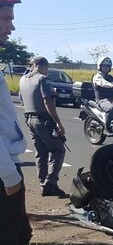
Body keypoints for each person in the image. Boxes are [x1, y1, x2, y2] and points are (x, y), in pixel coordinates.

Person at [0, 0, 57, 245]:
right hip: (2, 169)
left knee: (20, 234)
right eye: (6, 17)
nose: (11, 25)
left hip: (8, 164)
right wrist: (9, 177)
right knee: (5, 241)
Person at [19, 55, 67, 197]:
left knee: (41, 152)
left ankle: (43, 183)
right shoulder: (42, 79)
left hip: (29, 118)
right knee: (58, 150)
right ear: (43, 66)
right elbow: (48, 102)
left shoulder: (23, 79)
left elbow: (22, 100)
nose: (47, 71)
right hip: (42, 120)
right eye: (47, 68)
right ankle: (50, 183)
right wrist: (58, 122)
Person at [92, 56, 113, 135]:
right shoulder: (97, 76)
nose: (106, 68)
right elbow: (103, 83)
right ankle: (107, 128)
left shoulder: (111, 77)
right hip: (102, 100)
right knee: (111, 108)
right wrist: (112, 85)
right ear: (100, 66)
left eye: (108, 66)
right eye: (104, 66)